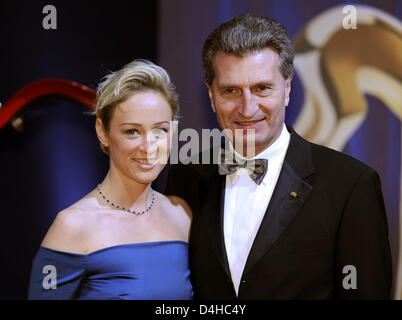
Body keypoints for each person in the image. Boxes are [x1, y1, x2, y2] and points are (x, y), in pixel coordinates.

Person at [166, 14, 392, 299]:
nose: (247, 109)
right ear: (211, 95)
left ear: (287, 88)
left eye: (262, 88)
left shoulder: (350, 185)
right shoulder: (186, 175)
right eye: (230, 91)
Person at [28, 59, 193, 300]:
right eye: (132, 131)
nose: (148, 147)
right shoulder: (72, 225)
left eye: (160, 130)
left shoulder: (182, 214)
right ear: (103, 133)